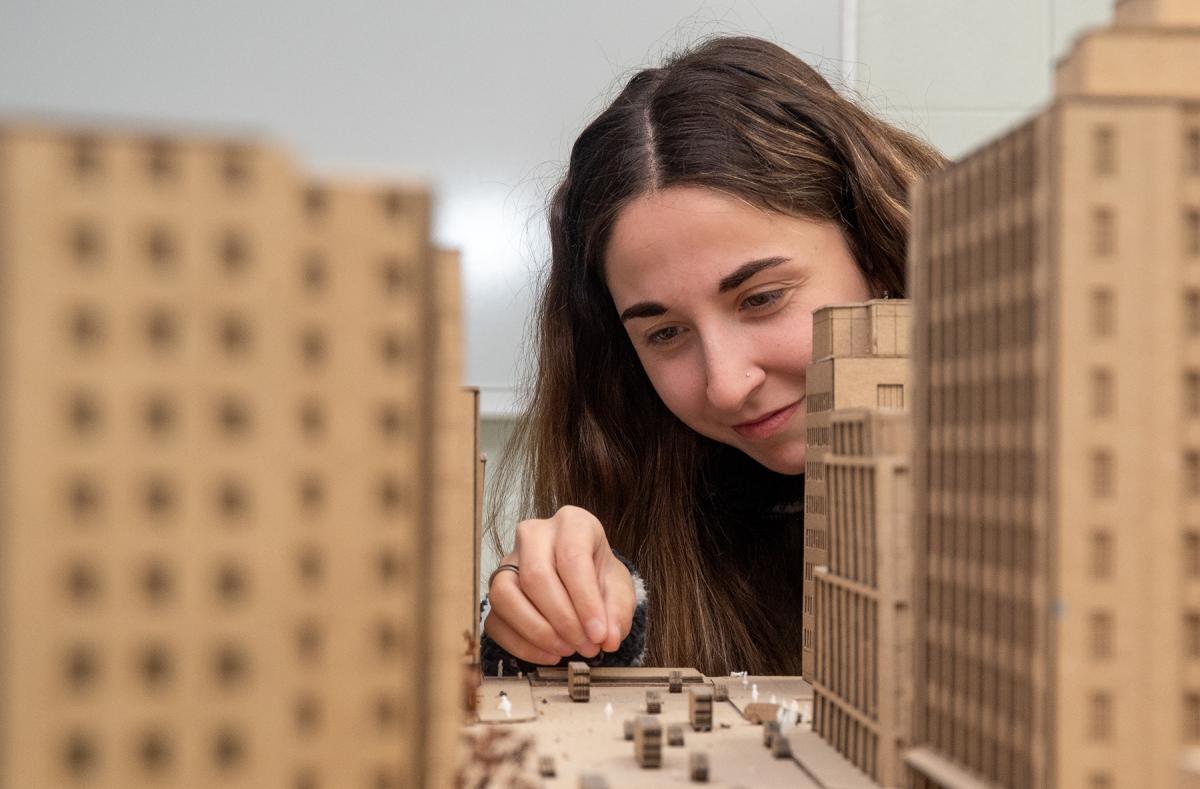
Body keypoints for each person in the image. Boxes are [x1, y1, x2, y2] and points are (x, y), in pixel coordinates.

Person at [480, 35, 944, 678]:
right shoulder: (665, 489)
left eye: (762, 299)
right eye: (664, 334)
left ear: (881, 256)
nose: (726, 386)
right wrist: (554, 633)